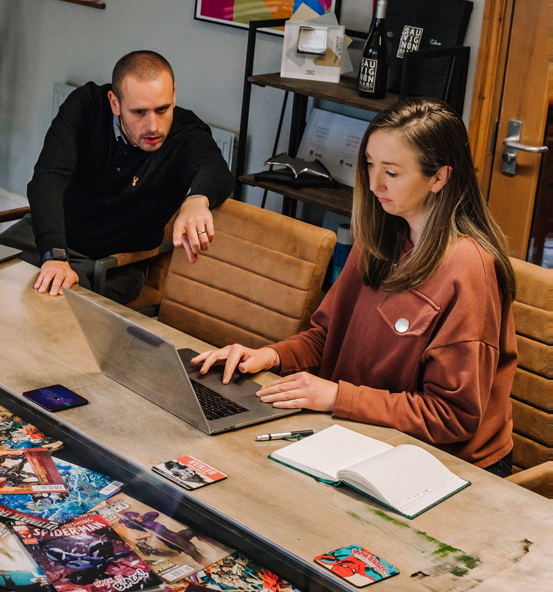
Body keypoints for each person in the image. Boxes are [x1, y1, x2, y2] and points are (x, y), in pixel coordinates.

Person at [192, 98, 518, 475]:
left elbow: (451, 417)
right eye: (369, 164)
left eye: (392, 172)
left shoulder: (469, 268)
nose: (374, 183)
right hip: (359, 432)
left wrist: (337, 396)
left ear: (439, 178)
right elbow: (328, 336)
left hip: (447, 466)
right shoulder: (382, 231)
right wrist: (271, 356)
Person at [14, 50, 235, 298]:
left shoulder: (186, 133)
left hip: (113, 266)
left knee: (48, 308)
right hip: (49, 241)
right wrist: (54, 255)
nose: (153, 126)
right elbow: (48, 179)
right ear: (114, 102)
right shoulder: (87, 105)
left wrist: (196, 200)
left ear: (174, 95)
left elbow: (216, 171)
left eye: (162, 109)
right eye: (139, 112)